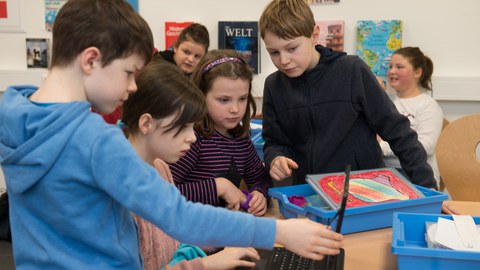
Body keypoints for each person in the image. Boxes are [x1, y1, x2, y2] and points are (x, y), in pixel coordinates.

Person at [0, 0, 343, 268]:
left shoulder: (17, 118)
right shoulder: (92, 140)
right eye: (129, 72)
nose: (133, 85)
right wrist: (279, 231)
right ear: (91, 60)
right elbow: (177, 215)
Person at [258, 0, 437, 188]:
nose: (284, 60)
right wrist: (275, 158)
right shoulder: (273, 86)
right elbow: (274, 141)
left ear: (314, 35)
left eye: (292, 48)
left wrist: (428, 188)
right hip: (310, 193)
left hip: (365, 191)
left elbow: (397, 131)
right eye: (274, 53)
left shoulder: (352, 71)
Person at [122, 58, 262, 270]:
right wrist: (207, 263)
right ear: (147, 124)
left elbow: (172, 242)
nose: (193, 137)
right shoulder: (119, 190)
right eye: (184, 127)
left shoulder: (159, 168)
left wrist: (223, 237)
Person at [170, 50, 272, 216]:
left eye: (242, 98)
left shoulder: (241, 140)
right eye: (224, 100)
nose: (235, 109)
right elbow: (164, 192)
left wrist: (260, 194)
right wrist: (219, 186)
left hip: (222, 231)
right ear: (201, 96)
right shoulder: (192, 139)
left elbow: (261, 179)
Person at [379, 47, 443, 187]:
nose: (392, 71)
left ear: (417, 72)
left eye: (399, 67)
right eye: (390, 66)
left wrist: (382, 146)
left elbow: (426, 146)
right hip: (385, 174)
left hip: (417, 177)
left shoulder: (428, 105)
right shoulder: (385, 102)